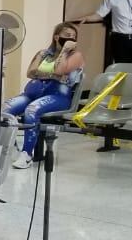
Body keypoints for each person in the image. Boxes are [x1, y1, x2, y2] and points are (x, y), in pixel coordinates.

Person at [6, 23, 85, 169]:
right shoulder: (43, 53)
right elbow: (31, 72)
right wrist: (50, 75)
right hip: (32, 93)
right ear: (56, 37)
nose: (71, 40)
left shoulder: (76, 56)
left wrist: (64, 52)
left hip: (58, 97)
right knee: (4, 109)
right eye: (67, 36)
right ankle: (1, 149)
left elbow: (60, 70)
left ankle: (27, 154)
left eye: (74, 37)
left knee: (32, 110)